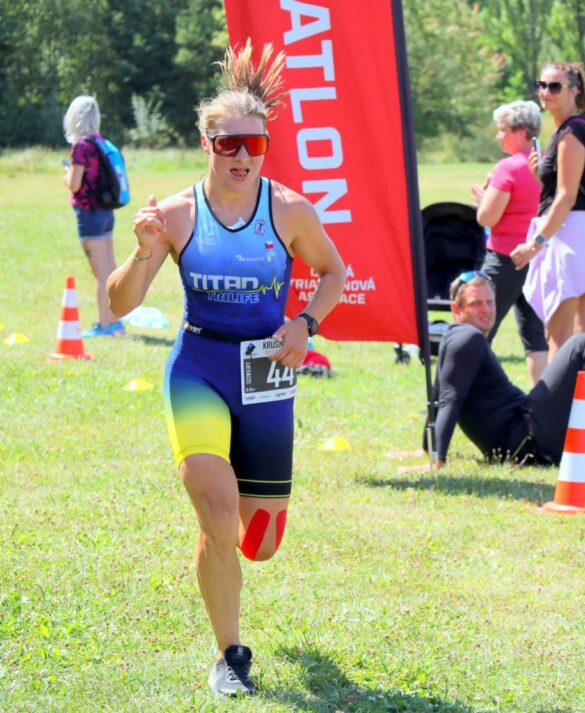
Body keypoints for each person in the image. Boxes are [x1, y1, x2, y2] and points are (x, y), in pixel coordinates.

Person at [106, 41, 345, 695]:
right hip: (200, 369)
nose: (242, 156)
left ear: (266, 147)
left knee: (259, 541)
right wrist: (142, 251)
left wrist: (305, 323)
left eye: (254, 144)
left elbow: (333, 272)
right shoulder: (176, 215)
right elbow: (118, 304)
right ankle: (230, 654)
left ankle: (234, 543)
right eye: (228, 143)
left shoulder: (289, 209)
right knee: (215, 513)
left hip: (265, 374)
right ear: (206, 144)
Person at [429, 271, 585, 470]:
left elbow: (438, 397)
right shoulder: (468, 340)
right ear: (456, 310)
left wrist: (427, 446)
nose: (486, 310)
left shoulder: (452, 339)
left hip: (531, 431)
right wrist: (436, 458)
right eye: (475, 304)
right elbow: (450, 399)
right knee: (582, 345)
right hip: (530, 437)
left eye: (489, 302)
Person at [510, 62, 585, 390]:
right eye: (541, 85)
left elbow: (567, 197)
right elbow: (565, 192)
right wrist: (539, 176)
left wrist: (536, 244)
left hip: (567, 237)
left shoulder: (571, 134)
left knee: (559, 336)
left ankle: (552, 415)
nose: (546, 92)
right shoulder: (576, 130)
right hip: (580, 234)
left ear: (575, 91)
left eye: (555, 86)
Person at [470, 100, 548, 384]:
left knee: (477, 329)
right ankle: (543, 398)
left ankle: (466, 393)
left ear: (521, 132)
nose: (498, 136)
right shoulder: (546, 163)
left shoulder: (508, 168)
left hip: (505, 259)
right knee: (536, 336)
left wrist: (484, 201)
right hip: (538, 257)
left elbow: (487, 218)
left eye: (503, 130)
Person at [63, 95, 124, 338]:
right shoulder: (101, 142)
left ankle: (105, 325)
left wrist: (67, 175)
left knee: (100, 272)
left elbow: (75, 184)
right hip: (106, 212)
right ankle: (115, 321)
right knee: (110, 268)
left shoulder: (81, 146)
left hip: (89, 213)